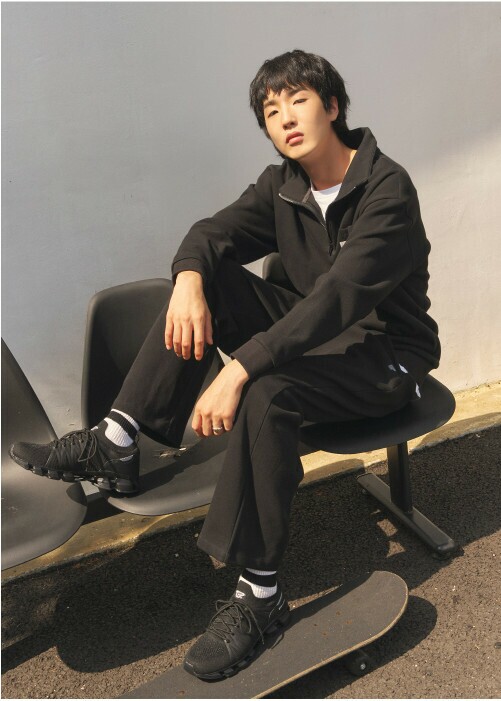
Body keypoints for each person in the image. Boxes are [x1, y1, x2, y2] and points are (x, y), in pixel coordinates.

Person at [10, 49, 440, 679]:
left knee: (267, 393)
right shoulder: (283, 186)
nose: (285, 117)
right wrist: (188, 280)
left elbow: (337, 299)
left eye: (298, 100)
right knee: (207, 281)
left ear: (332, 106)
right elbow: (211, 233)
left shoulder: (386, 189)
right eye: (271, 109)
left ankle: (260, 596)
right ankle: (118, 441)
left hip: (384, 358)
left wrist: (239, 370)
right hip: (314, 341)